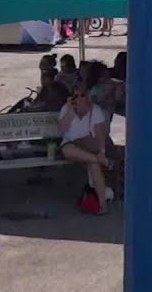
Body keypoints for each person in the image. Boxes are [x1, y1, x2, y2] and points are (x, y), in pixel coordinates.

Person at [58, 84, 112, 213]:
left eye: (82, 95)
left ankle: (102, 205)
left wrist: (102, 152)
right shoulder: (66, 109)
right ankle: (100, 160)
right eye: (76, 96)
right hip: (71, 144)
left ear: (88, 96)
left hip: (87, 146)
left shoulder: (95, 110)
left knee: (93, 164)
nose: (80, 98)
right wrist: (71, 111)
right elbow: (62, 129)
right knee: (69, 150)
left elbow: (100, 135)